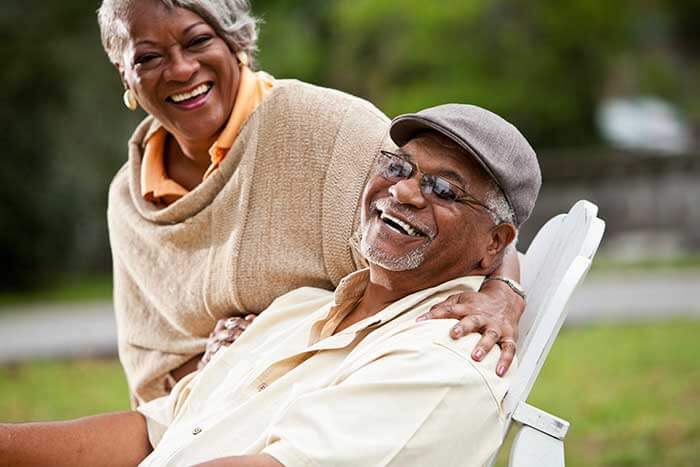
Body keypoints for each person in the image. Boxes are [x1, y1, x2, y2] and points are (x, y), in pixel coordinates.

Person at [0, 103, 541, 467]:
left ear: (495, 243)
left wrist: (505, 292)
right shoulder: (297, 310)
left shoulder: (444, 364)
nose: (403, 193)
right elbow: (154, 433)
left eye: (443, 189)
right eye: (398, 166)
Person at [98, 0, 526, 405]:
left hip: (336, 401)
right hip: (201, 421)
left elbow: (469, 227)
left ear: (235, 41)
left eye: (197, 41)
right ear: (123, 74)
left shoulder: (327, 127)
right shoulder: (129, 200)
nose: (180, 69)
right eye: (148, 57)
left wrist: (503, 293)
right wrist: (218, 369)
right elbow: (151, 363)